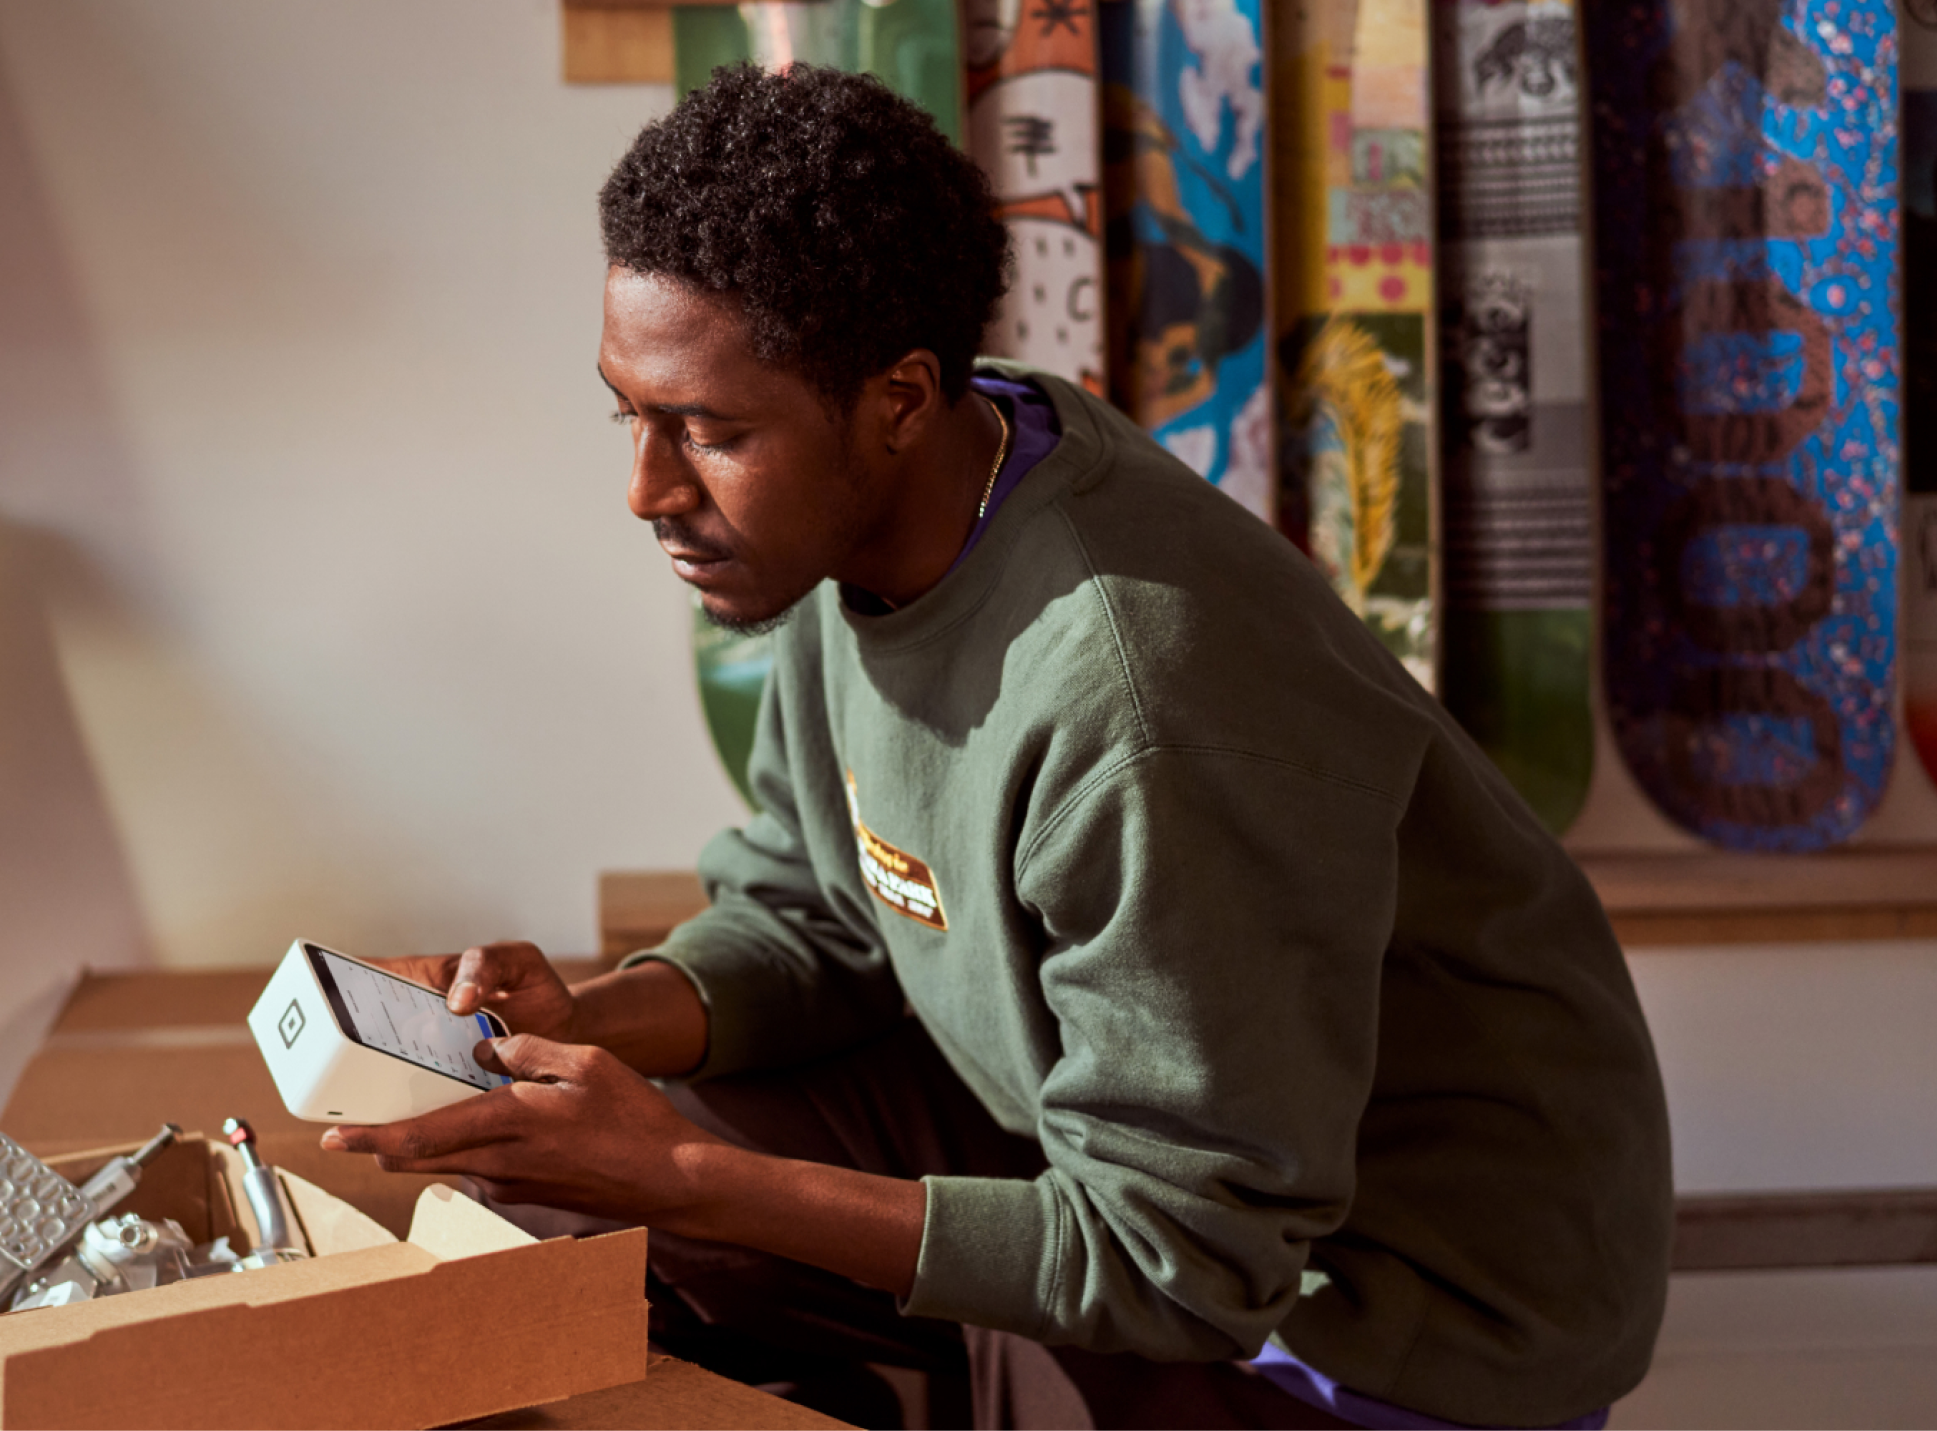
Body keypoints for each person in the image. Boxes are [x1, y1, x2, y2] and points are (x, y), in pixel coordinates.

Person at [324, 63, 1673, 1431]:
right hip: (1104, 1151)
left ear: (897, 400)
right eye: (633, 409)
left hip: (1377, 1323)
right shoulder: (866, 504)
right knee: (553, 1154)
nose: (648, 489)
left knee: (663, 1173)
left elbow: (1191, 1261)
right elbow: (825, 908)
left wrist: (681, 1171)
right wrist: (583, 1017)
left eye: (713, 433)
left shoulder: (1139, 707)